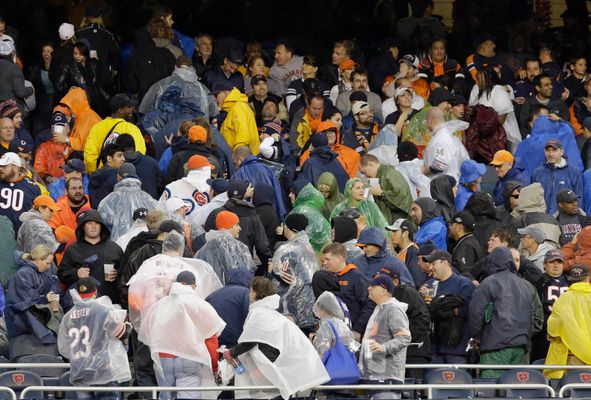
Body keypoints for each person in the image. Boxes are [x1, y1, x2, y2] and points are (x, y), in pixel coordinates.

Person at [224, 277, 329, 400]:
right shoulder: (270, 313)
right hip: (278, 358)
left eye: (251, 291)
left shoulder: (259, 313)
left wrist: (231, 352)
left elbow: (249, 340)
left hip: (270, 361)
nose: (249, 294)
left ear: (257, 292)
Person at [140, 271, 226, 400]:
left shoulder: (160, 304)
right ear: (193, 285)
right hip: (190, 359)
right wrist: (214, 366)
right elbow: (211, 338)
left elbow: (147, 332)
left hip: (164, 360)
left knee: (166, 397)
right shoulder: (198, 304)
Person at [468, 246, 535, 378]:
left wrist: (476, 336)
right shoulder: (525, 285)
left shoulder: (488, 283)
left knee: (492, 391)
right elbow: (532, 316)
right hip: (520, 346)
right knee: (515, 389)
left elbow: (476, 313)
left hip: (495, 345)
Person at [58, 278, 132, 394]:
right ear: (96, 291)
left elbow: (63, 348)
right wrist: (127, 326)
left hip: (80, 371)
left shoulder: (68, 316)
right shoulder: (103, 309)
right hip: (102, 369)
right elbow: (120, 333)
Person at [421, 250, 476, 363]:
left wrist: (447, 309)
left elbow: (472, 311)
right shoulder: (429, 285)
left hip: (457, 350)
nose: (431, 267)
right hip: (434, 348)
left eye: (434, 263)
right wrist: (421, 298)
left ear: (445, 263)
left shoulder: (463, 284)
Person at [58, 209, 123, 304]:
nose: (93, 227)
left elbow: (126, 274)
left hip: (111, 303)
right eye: (89, 223)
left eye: (97, 223)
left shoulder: (114, 248)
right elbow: (61, 274)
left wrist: (117, 274)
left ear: (101, 226)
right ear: (83, 226)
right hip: (82, 305)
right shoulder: (73, 250)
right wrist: (76, 273)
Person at [360, 274, 411, 389]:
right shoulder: (379, 309)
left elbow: (404, 337)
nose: (369, 288)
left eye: (373, 286)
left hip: (387, 377)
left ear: (383, 291)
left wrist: (385, 347)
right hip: (373, 374)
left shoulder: (393, 309)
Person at [271, 213, 320, 331]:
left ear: (287, 227)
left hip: (291, 313)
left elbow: (282, 282)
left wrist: (272, 271)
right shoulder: (308, 247)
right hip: (310, 310)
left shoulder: (287, 249)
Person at [5, 245, 62, 345]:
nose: (49, 267)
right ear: (37, 260)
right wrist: (45, 298)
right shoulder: (23, 274)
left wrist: (53, 297)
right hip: (21, 314)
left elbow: (53, 287)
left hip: (38, 310)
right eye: (47, 263)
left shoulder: (45, 272)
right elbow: (26, 298)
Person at [544, 264, 591, 379]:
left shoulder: (564, 299)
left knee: (574, 392)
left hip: (574, 356)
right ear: (587, 278)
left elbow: (553, 330)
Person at [321, 243, 374, 340]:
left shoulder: (356, 277)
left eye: (327, 259)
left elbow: (369, 303)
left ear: (340, 258)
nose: (324, 263)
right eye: (323, 260)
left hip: (351, 333)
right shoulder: (325, 277)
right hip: (332, 331)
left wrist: (358, 329)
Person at [84, 94, 145, 174]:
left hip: (103, 175)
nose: (132, 110)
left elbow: (89, 155)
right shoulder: (131, 128)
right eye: (129, 107)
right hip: (124, 175)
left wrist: (94, 173)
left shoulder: (97, 127)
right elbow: (139, 153)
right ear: (119, 110)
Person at [98, 163, 159, 242]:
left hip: (118, 247)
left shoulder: (109, 199)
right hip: (144, 246)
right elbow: (159, 220)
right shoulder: (148, 198)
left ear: (119, 177)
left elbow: (102, 223)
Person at [195, 211, 256, 284]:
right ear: (230, 225)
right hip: (234, 289)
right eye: (237, 225)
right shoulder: (238, 247)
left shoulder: (204, 244)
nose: (240, 228)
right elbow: (247, 271)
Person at [531, 249, 570, 362]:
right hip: (545, 333)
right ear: (544, 264)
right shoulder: (539, 282)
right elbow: (536, 308)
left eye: (559, 262)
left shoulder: (570, 281)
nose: (556, 265)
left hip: (566, 331)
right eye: (552, 262)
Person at [205, 269, 253, 348]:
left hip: (214, 339)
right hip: (234, 341)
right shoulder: (246, 293)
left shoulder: (214, 294)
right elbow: (249, 316)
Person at [359, 154, 412, 224]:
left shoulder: (390, 173)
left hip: (401, 224)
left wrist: (382, 193)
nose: (365, 176)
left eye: (364, 172)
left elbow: (402, 198)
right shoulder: (381, 176)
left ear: (371, 164)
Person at [422, 107, 469, 180]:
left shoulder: (441, 138)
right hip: (449, 182)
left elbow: (440, 165)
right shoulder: (449, 136)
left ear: (430, 120)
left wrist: (423, 170)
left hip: (444, 185)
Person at [0, 152, 41, 232]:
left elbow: (37, 215)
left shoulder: (33, 188)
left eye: (4, 166)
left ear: (15, 167)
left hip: (22, 236)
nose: (1, 169)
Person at [215, 84, 260, 154]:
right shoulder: (235, 107)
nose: (215, 99)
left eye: (216, 95)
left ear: (225, 92)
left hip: (243, 158)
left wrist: (239, 156)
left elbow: (243, 134)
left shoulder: (238, 107)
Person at [311, 291, 358, 357]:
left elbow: (323, 352)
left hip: (332, 365)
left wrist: (314, 339)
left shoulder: (326, 326)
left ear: (324, 309)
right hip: (346, 362)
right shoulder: (342, 324)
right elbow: (353, 347)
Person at [449, 211, 485, 277]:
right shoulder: (470, 240)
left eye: (451, 224)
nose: (449, 227)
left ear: (458, 227)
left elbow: (465, 274)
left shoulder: (465, 246)